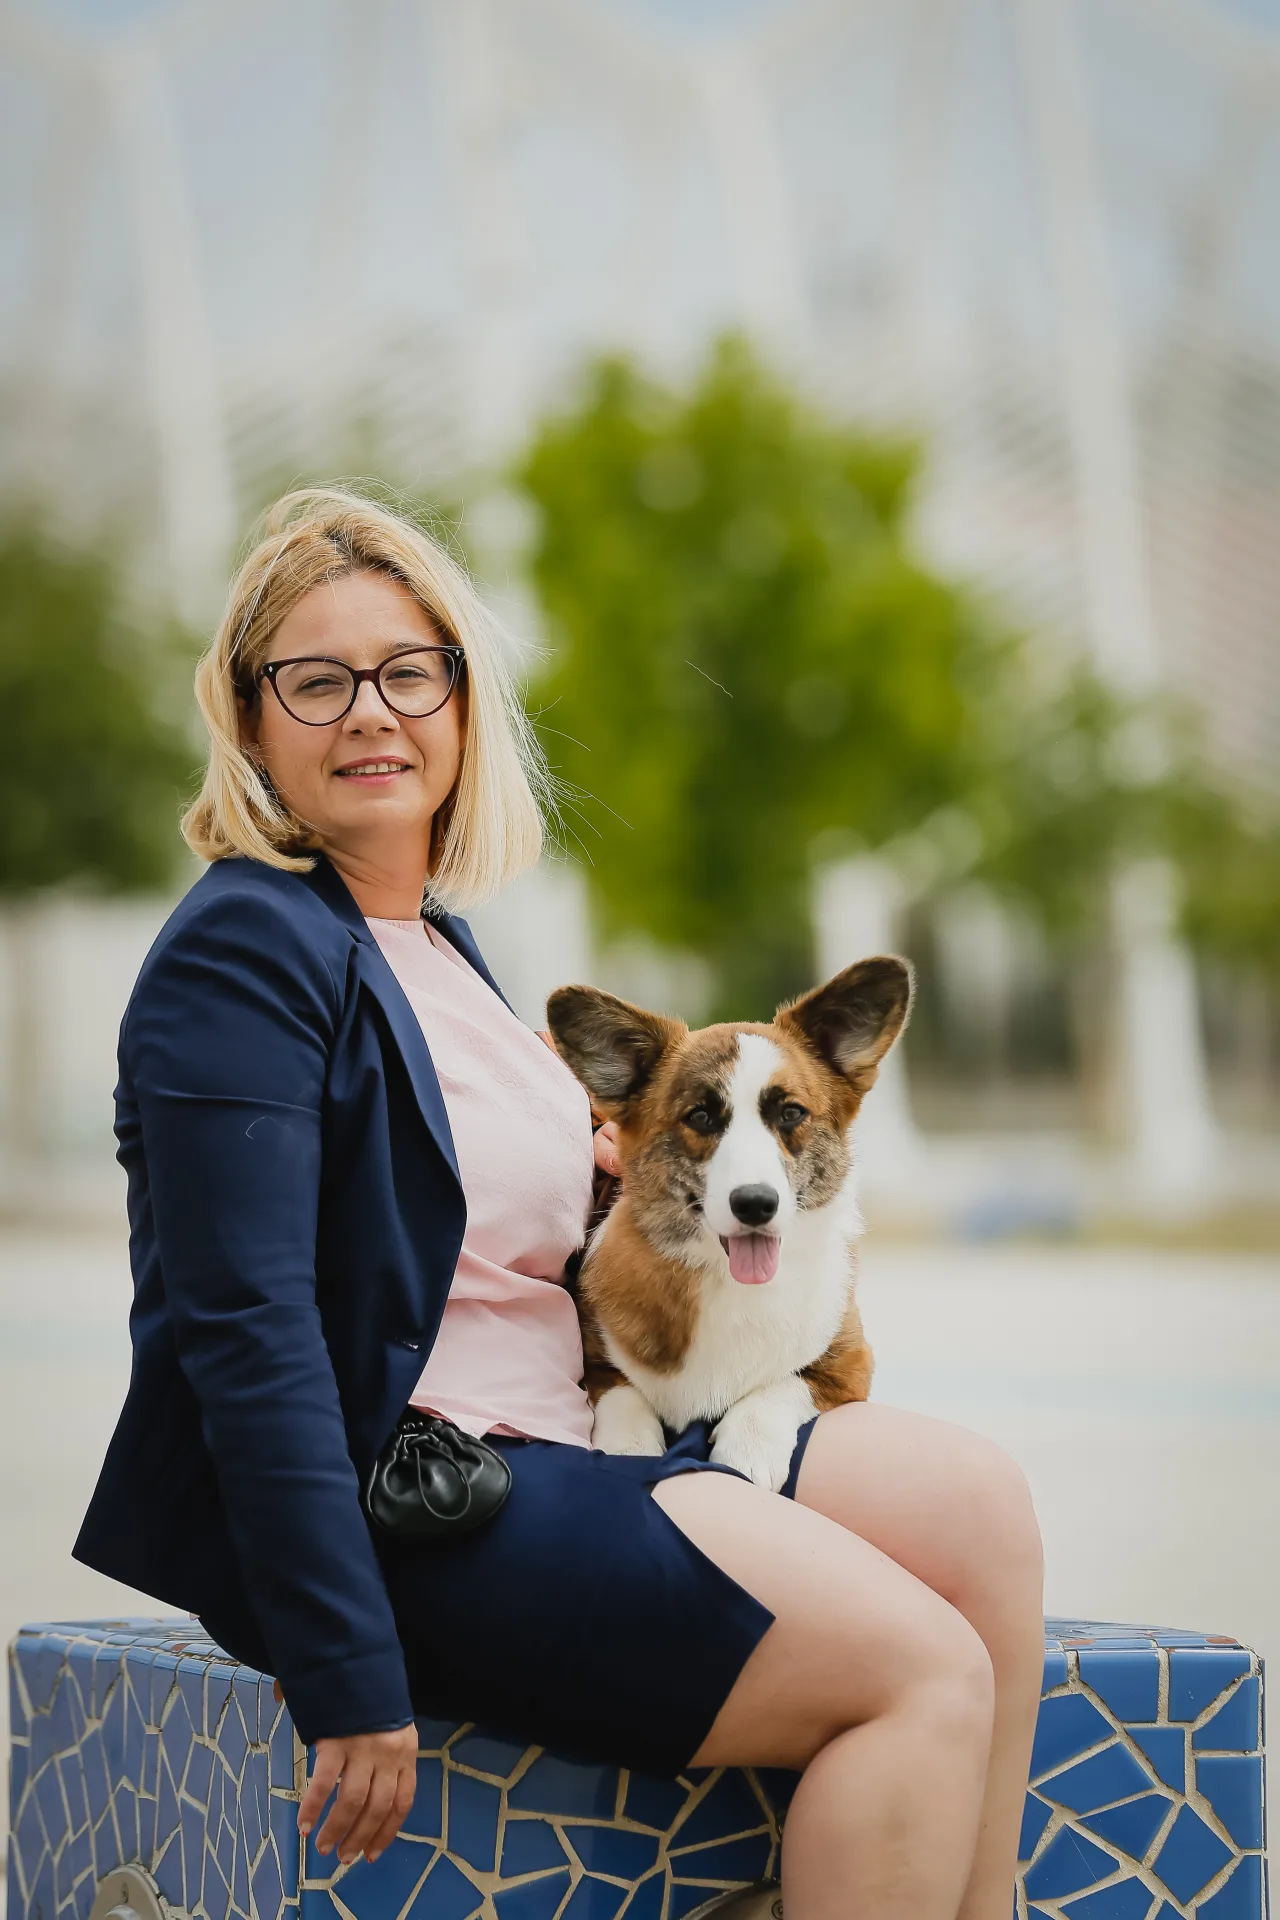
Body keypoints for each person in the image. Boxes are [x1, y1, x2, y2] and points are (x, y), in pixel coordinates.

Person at [75, 488, 1044, 1920]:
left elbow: (463, 1195)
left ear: (463, 704)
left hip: (568, 1438)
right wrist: (343, 1663)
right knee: (919, 1675)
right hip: (423, 1502)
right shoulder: (243, 949)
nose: (371, 715)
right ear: (251, 719)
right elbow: (246, 1323)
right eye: (317, 682)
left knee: (982, 1511)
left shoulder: (433, 945)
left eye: (411, 673)